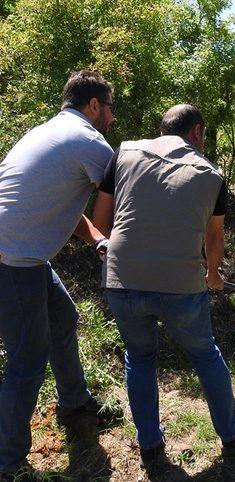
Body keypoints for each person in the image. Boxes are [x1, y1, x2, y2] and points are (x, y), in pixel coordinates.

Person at [92, 104, 235, 473]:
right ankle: (231, 437)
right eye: (204, 135)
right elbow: (214, 236)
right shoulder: (211, 174)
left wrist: (109, 252)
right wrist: (212, 275)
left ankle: (150, 447)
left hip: (121, 279)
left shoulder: (124, 151)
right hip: (181, 286)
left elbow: (101, 219)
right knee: (205, 355)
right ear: (196, 132)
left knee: (140, 358)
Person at [0, 70, 119, 479]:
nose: (112, 118)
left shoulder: (49, 132)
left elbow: (62, 209)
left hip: (19, 254)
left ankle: (74, 402)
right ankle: (8, 462)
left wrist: (99, 239)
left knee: (63, 319)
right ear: (93, 106)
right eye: (110, 108)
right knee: (27, 360)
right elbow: (130, 195)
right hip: (13, 260)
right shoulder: (89, 142)